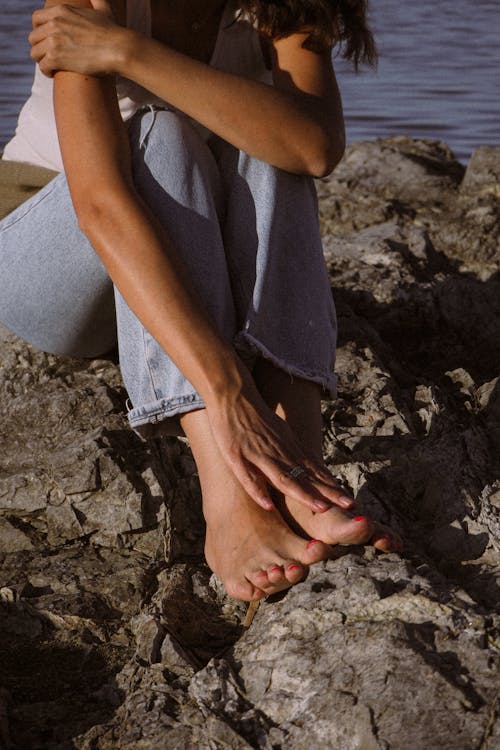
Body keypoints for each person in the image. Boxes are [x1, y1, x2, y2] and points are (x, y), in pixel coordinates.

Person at [0, 0, 400, 602]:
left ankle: (300, 469)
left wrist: (127, 52)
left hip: (176, 256)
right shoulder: (92, 6)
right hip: (49, 257)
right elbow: (101, 206)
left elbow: (315, 147)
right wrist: (228, 389)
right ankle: (229, 495)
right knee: (160, 134)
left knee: (279, 146)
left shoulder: (281, 7)